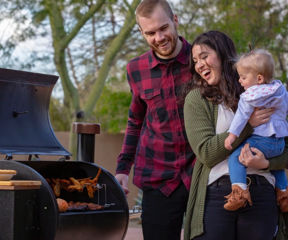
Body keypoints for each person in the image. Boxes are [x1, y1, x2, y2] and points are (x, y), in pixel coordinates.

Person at [182, 30, 288, 240]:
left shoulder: (262, 92)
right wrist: (248, 126)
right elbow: (206, 153)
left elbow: (285, 149)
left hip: (262, 192)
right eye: (195, 60)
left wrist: (266, 164)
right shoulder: (196, 100)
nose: (200, 64)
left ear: (222, 55)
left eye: (204, 56)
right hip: (219, 194)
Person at [114, 0, 196, 239]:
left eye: (163, 28)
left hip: (200, 172)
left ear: (176, 21)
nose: (159, 37)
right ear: (142, 33)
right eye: (150, 32)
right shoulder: (135, 69)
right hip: (158, 175)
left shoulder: (201, 60)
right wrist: (122, 169)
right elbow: (135, 121)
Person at [223, 49, 288, 211]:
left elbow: (241, 117)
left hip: (262, 141)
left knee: (236, 157)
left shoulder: (250, 96)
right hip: (279, 142)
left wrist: (232, 136)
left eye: (243, 77)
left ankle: (240, 193)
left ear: (259, 78)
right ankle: (284, 194)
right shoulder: (279, 89)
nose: (239, 81)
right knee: (276, 166)